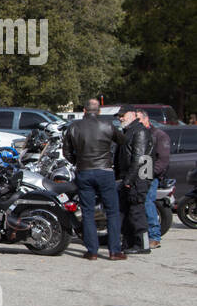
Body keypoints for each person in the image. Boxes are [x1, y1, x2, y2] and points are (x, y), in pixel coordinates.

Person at [64, 98, 125, 260]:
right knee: (112, 211)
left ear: (84, 110)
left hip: (84, 171)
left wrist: (78, 162)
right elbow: (122, 141)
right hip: (105, 171)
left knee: (87, 212)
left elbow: (67, 152)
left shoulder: (74, 126)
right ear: (98, 111)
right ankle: (114, 251)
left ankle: (92, 251)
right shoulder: (107, 125)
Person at [116, 105, 155, 255]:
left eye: (123, 115)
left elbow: (139, 159)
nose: (120, 118)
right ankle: (129, 243)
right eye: (119, 116)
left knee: (136, 213)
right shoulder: (128, 131)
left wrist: (128, 180)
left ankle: (143, 245)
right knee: (127, 213)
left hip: (138, 180)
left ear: (133, 114)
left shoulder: (139, 132)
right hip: (129, 178)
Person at [139, 113, 170, 250]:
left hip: (150, 177)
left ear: (146, 119)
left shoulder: (159, 135)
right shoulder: (137, 133)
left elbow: (162, 160)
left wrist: (149, 174)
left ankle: (154, 236)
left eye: (139, 119)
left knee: (147, 203)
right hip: (136, 175)